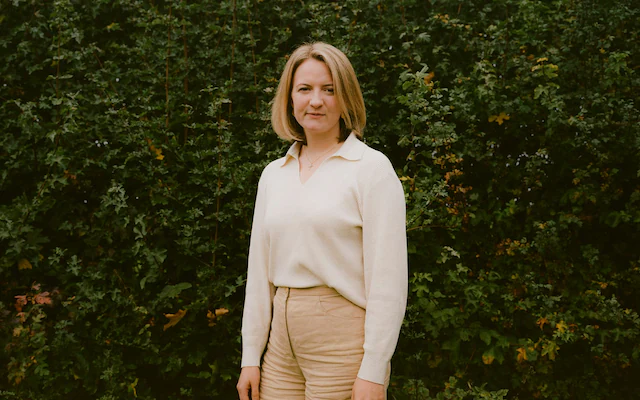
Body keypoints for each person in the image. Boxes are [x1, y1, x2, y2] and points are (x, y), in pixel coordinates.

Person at [236, 42, 407, 400]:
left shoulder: (371, 169)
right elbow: (259, 272)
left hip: (341, 348)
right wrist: (250, 356)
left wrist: (374, 370)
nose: (316, 101)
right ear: (290, 98)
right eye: (305, 89)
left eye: (329, 90)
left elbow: (388, 281)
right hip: (280, 350)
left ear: (346, 98)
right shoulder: (274, 174)